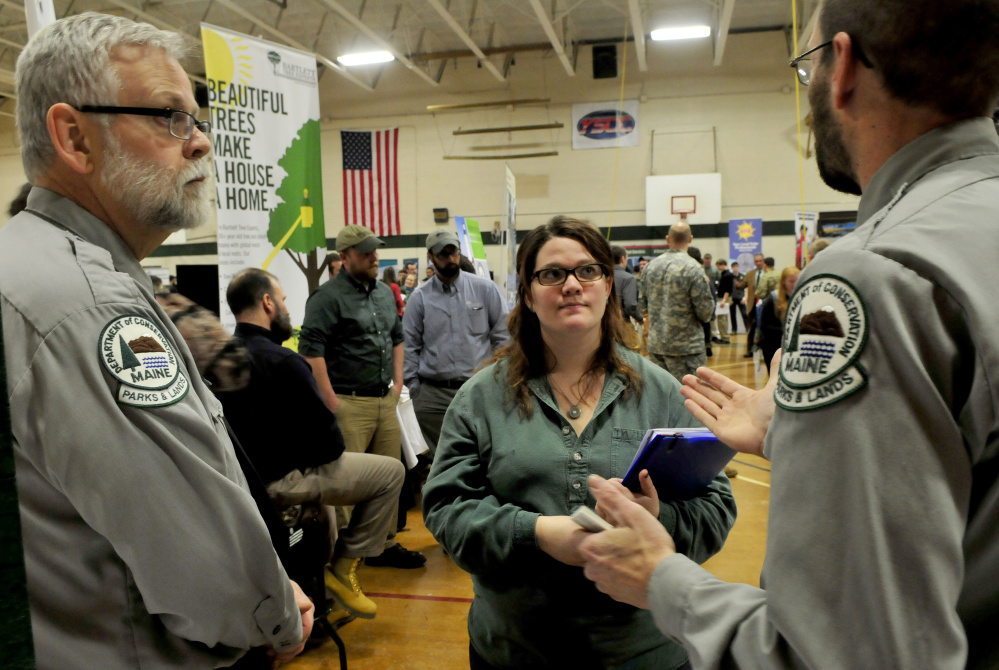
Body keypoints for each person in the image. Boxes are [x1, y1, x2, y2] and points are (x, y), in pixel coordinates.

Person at [579, 0, 999, 666]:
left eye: (804, 65)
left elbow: (842, 651)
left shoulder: (876, 275)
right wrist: (796, 433)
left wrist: (662, 579)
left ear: (842, 67)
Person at [0, 12, 312, 668]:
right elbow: (213, 573)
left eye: (197, 120)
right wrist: (274, 613)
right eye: (169, 116)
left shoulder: (30, 270)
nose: (198, 142)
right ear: (74, 137)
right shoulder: (88, 304)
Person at [423, 216, 736, 670]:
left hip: (642, 653)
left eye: (587, 271)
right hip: (517, 652)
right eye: (551, 274)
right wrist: (539, 534)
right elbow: (447, 511)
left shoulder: (661, 391)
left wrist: (657, 518)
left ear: (608, 285)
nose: (572, 285)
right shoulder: (481, 398)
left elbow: (716, 508)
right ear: (528, 294)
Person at [220, 268, 408, 622]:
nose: (287, 309)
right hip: (283, 481)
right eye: (284, 300)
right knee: (391, 472)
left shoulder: (217, 359)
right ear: (267, 303)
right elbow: (329, 444)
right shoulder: (285, 361)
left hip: (242, 483)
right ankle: (343, 567)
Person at [299, 225, 425, 569]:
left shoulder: (384, 293)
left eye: (375, 251)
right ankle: (341, 557)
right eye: (366, 252)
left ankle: (381, 546)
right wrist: (331, 401)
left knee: (389, 477)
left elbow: (397, 338)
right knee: (347, 484)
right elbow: (311, 352)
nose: (374, 257)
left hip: (384, 400)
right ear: (345, 257)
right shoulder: (326, 298)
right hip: (348, 402)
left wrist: (397, 384)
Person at [402, 229, 509, 455]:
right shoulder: (419, 298)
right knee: (444, 458)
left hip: (479, 388)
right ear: (430, 256)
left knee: (484, 453)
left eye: (454, 253)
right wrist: (415, 391)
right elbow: (409, 346)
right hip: (434, 395)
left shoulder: (485, 289)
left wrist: (499, 378)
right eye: (443, 254)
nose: (451, 259)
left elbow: (503, 336)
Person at [640, 224, 715, 382]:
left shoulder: (650, 267)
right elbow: (705, 311)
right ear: (690, 239)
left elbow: (643, 305)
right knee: (692, 398)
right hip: (687, 349)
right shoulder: (693, 268)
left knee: (660, 397)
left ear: (668, 239)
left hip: (657, 346)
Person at [757, 266, 800, 370]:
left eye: (797, 281)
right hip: (774, 346)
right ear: (784, 282)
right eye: (791, 281)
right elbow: (764, 326)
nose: (794, 284)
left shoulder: (802, 297)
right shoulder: (773, 299)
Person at [740, 252, 767, 357]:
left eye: (760, 261)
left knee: (765, 328)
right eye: (756, 261)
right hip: (752, 305)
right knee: (751, 329)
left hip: (765, 305)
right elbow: (743, 285)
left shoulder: (768, 273)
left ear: (763, 261)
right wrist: (738, 285)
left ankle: (765, 350)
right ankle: (749, 350)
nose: (759, 263)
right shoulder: (750, 274)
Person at [611, 245, 644, 326]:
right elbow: (630, 305)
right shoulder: (628, 278)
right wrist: (640, 318)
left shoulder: (602, 276)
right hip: (622, 323)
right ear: (623, 259)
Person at [714, 259, 733, 343]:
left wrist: (724, 300)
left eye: (718, 266)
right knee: (721, 318)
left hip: (723, 298)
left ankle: (725, 337)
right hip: (722, 298)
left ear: (722, 265)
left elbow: (728, 289)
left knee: (722, 319)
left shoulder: (728, 275)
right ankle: (723, 336)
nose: (718, 268)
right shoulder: (724, 274)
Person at [729, 261, 748, 332]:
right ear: (732, 268)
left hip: (740, 297)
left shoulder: (743, 276)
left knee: (744, 314)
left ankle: (747, 328)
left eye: (736, 267)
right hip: (732, 298)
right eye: (734, 267)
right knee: (732, 315)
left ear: (738, 267)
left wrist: (745, 297)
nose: (735, 268)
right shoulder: (729, 276)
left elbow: (747, 287)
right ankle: (734, 329)